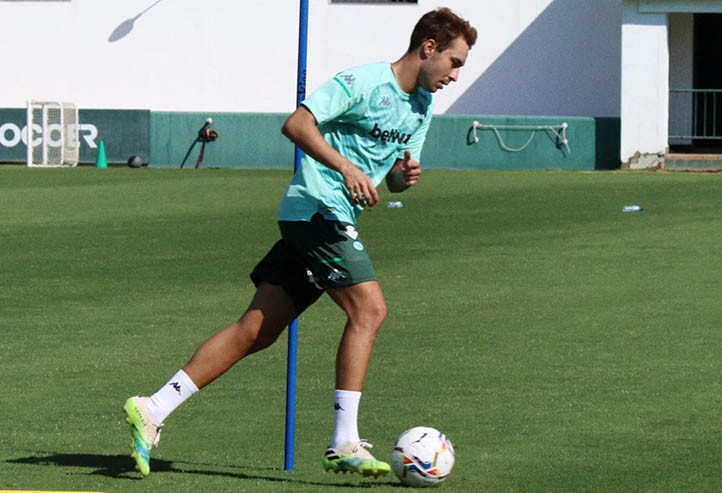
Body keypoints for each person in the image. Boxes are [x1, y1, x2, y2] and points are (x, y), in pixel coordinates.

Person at [123, 7, 477, 479]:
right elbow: (297, 124)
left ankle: (152, 408)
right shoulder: (362, 82)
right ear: (428, 48)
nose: (456, 75)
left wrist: (402, 177)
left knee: (258, 329)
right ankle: (344, 441)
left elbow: (391, 177)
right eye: (454, 62)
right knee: (368, 310)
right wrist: (344, 168)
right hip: (317, 209)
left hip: (329, 216)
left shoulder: (422, 107)